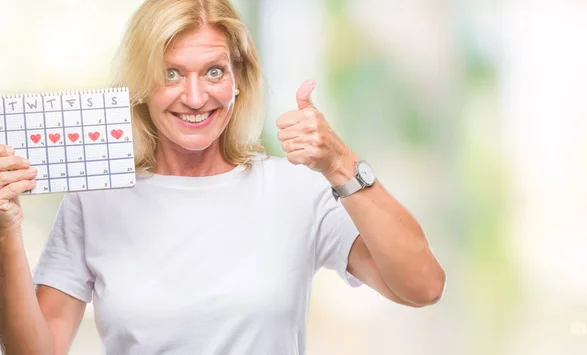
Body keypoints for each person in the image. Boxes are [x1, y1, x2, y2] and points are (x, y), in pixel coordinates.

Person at [0, 0, 445, 354]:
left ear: (239, 79)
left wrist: (342, 164)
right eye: (171, 73)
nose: (195, 98)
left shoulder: (295, 189)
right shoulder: (94, 201)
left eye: (214, 71)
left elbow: (422, 285)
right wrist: (6, 230)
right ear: (141, 85)